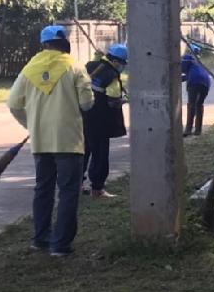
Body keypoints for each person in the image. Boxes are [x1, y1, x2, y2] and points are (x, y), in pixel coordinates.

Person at [7, 25, 94, 257]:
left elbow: (13, 104)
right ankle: (61, 244)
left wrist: (31, 125)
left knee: (43, 189)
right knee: (68, 191)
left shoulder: (29, 68)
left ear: (44, 44)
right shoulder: (75, 66)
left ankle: (40, 238)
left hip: (41, 141)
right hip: (69, 141)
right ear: (65, 44)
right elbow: (87, 104)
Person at [81, 43, 128, 199]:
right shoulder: (112, 76)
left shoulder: (91, 66)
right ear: (115, 61)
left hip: (83, 117)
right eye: (122, 63)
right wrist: (124, 100)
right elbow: (113, 102)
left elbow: (97, 63)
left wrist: (98, 56)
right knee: (100, 155)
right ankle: (97, 189)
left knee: (83, 151)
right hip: (101, 122)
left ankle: (77, 184)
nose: (122, 66)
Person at [181, 44, 211, 137]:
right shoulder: (198, 62)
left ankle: (188, 129)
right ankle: (198, 130)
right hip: (206, 82)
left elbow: (181, 69)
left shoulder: (187, 58)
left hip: (194, 82)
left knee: (191, 105)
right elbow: (191, 75)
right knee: (199, 105)